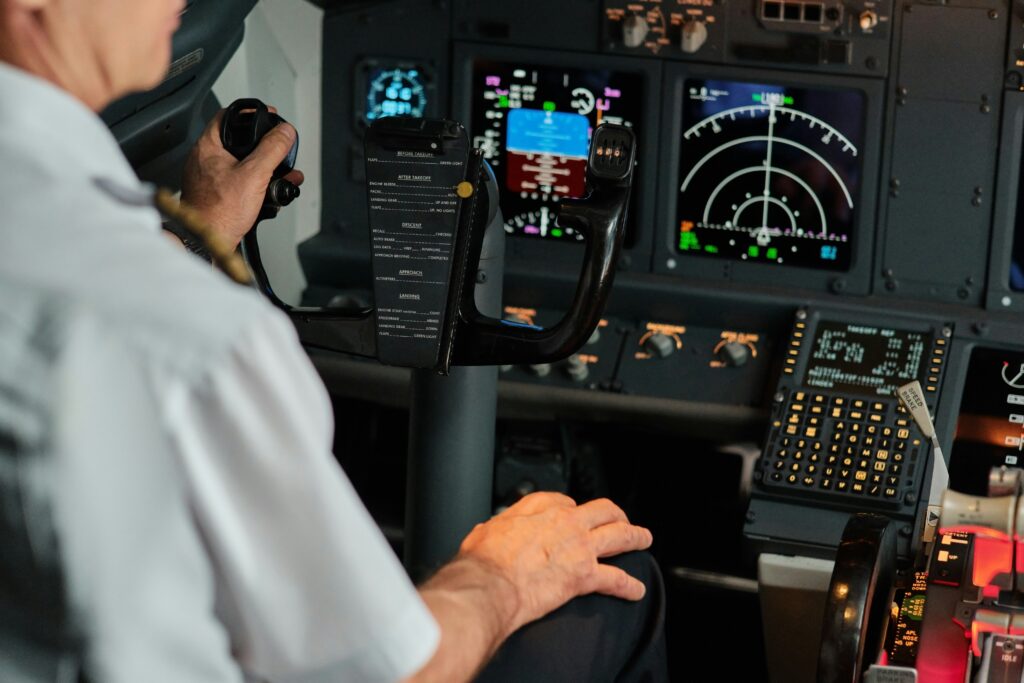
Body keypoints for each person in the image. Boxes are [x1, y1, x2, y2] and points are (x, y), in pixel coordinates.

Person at [0, 1, 667, 682]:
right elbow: (395, 674)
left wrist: (199, 235)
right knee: (617, 578)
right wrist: (503, 573)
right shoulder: (194, 339)